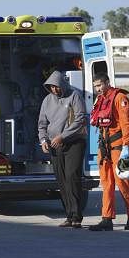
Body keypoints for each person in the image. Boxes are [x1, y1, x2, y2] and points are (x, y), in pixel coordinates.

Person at [88, 73, 129, 231]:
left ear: (107, 83)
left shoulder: (119, 98)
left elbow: (127, 124)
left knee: (123, 182)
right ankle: (106, 219)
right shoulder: (101, 100)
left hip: (117, 147)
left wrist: (126, 147)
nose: (98, 89)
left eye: (100, 85)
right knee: (106, 184)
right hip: (104, 148)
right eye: (95, 86)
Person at [38, 70, 87, 228]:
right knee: (61, 180)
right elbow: (42, 124)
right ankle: (69, 215)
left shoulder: (74, 96)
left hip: (74, 142)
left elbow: (80, 119)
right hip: (55, 145)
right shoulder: (47, 100)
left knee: (72, 176)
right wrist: (44, 140)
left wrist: (63, 136)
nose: (54, 90)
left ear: (62, 84)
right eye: (51, 87)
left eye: (57, 86)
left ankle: (77, 216)